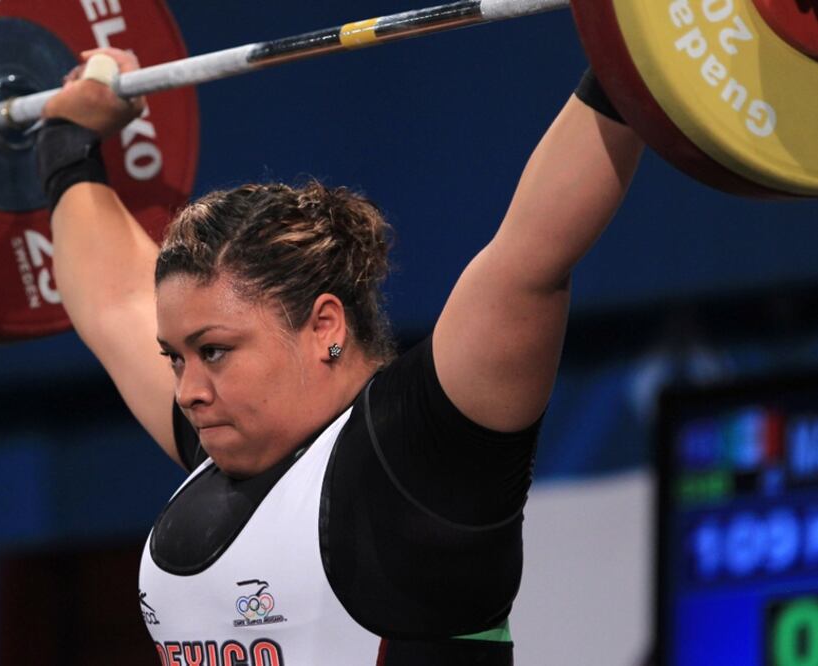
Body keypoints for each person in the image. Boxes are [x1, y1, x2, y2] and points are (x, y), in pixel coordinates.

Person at [38, 47, 644, 665]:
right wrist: (66, 140)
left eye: (214, 351)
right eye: (175, 358)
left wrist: (632, 51)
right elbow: (114, 302)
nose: (188, 390)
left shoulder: (418, 454)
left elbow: (533, 255)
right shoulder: (221, 437)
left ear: (323, 325)